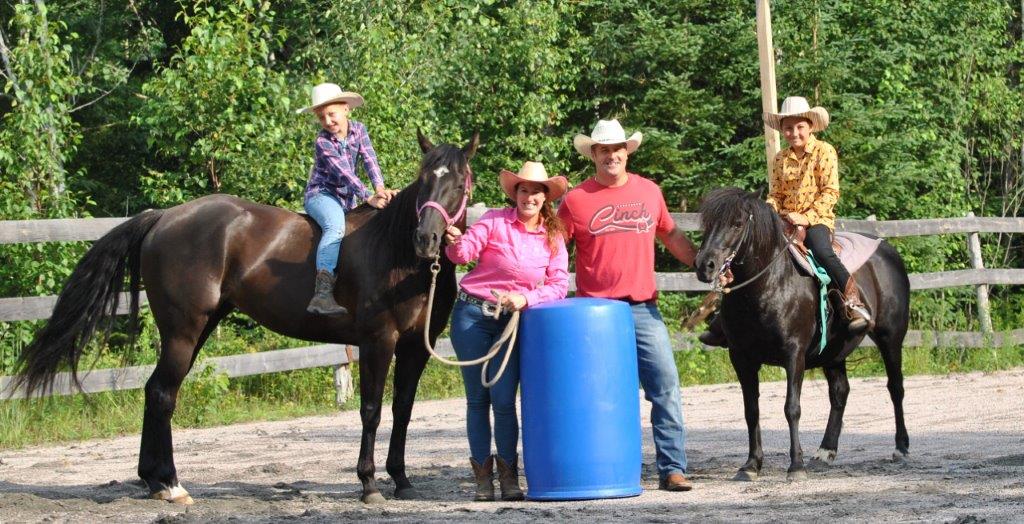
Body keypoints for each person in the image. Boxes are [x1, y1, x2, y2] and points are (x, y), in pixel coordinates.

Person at [557, 119, 697, 492]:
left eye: (617, 148)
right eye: (604, 150)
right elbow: (555, 249)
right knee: (598, 394)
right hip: (595, 314)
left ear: (626, 152)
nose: (611, 155)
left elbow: (671, 234)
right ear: (594, 155)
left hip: (642, 308)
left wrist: (700, 263)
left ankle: (672, 468)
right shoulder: (575, 200)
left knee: (665, 386)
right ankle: (602, 467)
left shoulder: (649, 192)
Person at [443, 161, 570, 502]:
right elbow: (464, 254)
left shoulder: (553, 236)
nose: (529, 196)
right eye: (524, 190)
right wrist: (455, 241)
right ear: (515, 193)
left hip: (512, 323)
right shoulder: (494, 220)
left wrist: (526, 297)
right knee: (477, 399)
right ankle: (483, 479)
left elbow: (559, 285)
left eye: (536, 191)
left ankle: (509, 477)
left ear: (546, 198)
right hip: (472, 314)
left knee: (503, 400)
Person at [699, 96, 869, 347]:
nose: (794, 133)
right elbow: (775, 195)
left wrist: (806, 217)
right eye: (788, 128)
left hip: (817, 219)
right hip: (783, 221)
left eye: (799, 127)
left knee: (822, 250)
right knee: (747, 252)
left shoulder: (825, 152)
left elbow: (830, 192)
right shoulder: (780, 159)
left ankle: (851, 301)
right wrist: (770, 214)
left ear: (810, 126)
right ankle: (724, 320)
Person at [295, 82, 397, 315]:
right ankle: (322, 293)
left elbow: (370, 160)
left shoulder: (359, 130)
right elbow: (344, 173)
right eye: (322, 117)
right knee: (335, 227)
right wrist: (368, 196)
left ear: (346, 109)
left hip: (346, 200)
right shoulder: (322, 142)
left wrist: (380, 188)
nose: (328, 121)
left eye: (332, 114)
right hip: (322, 194)